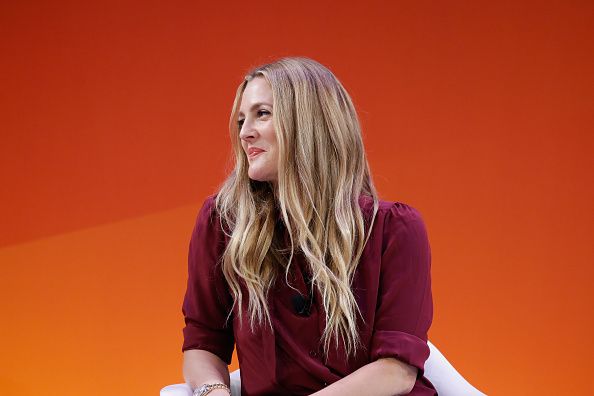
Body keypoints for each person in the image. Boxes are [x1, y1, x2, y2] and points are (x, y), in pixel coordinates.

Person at [181, 57, 436, 396]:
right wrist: (213, 392)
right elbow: (203, 340)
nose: (244, 133)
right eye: (241, 120)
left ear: (309, 123)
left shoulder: (394, 230)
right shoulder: (224, 223)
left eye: (262, 113)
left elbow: (396, 371)